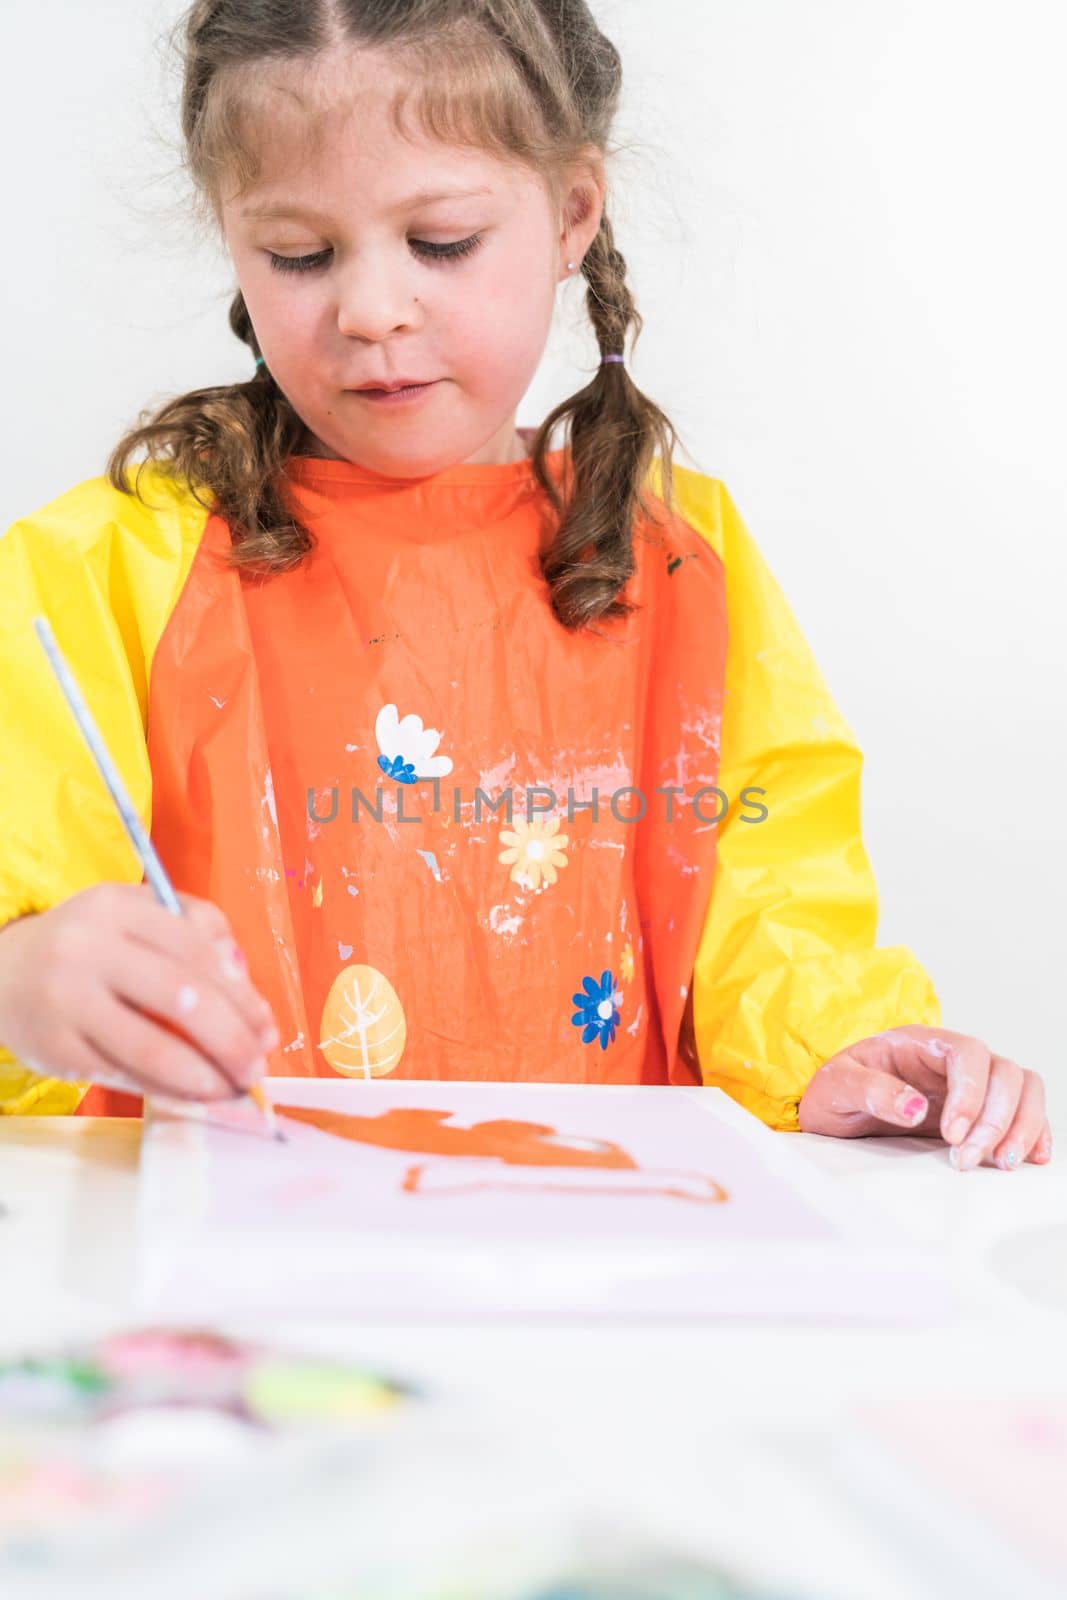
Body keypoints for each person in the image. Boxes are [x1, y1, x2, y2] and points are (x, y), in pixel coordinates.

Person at [0, 0, 1051, 1174]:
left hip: (593, 1282)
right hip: (236, 1285)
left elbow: (770, 910)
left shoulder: (671, 558)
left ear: (569, 213)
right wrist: (24, 981)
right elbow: (22, 916)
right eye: (298, 254)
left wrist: (843, 1053)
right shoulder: (99, 572)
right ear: (231, 240)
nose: (370, 310)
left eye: (441, 239)